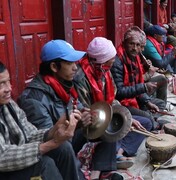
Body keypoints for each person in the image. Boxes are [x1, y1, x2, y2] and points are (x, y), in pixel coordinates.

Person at [17, 40, 121, 180]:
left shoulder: (65, 85)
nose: (75, 68)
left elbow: (79, 109)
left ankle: (99, 172)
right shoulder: (34, 99)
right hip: (56, 147)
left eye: (75, 62)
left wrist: (88, 115)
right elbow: (45, 136)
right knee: (64, 147)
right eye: (70, 63)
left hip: (70, 136)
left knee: (106, 123)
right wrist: (76, 124)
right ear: (54, 66)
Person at [73, 37, 152, 172]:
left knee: (144, 123)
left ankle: (119, 151)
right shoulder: (80, 78)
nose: (110, 67)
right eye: (109, 64)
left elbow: (112, 98)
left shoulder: (104, 71)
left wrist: (126, 118)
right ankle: (108, 158)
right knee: (113, 130)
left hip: (106, 114)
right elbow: (86, 111)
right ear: (99, 62)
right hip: (92, 123)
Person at [0, 61, 83, 180]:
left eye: (8, 81)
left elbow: (29, 134)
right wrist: (52, 143)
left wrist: (55, 129)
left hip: (19, 156)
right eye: (1, 84)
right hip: (5, 167)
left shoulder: (9, 105)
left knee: (63, 148)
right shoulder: (33, 97)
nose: (8, 88)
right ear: (54, 67)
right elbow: (2, 157)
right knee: (45, 164)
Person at [111, 26, 166, 130]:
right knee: (148, 118)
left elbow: (136, 83)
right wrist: (143, 87)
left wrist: (147, 102)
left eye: (138, 45)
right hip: (122, 102)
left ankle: (150, 119)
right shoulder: (117, 61)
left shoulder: (135, 57)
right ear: (124, 43)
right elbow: (119, 93)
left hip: (134, 96)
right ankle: (152, 123)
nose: (135, 48)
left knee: (160, 104)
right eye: (131, 44)